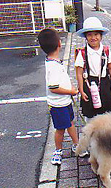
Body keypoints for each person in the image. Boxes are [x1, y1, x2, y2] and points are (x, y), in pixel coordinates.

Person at [38, 28, 79, 165]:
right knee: (60, 129)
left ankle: (76, 145)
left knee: (70, 122)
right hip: (58, 104)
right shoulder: (53, 66)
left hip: (64, 102)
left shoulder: (53, 61)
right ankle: (58, 151)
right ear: (59, 44)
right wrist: (71, 92)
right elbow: (54, 88)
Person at [75, 17, 111, 120]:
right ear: (85, 37)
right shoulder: (83, 53)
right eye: (89, 35)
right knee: (91, 112)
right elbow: (79, 73)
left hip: (105, 83)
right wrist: (81, 89)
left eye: (96, 34)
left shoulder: (106, 51)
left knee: (107, 111)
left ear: (101, 36)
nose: (93, 38)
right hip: (89, 83)